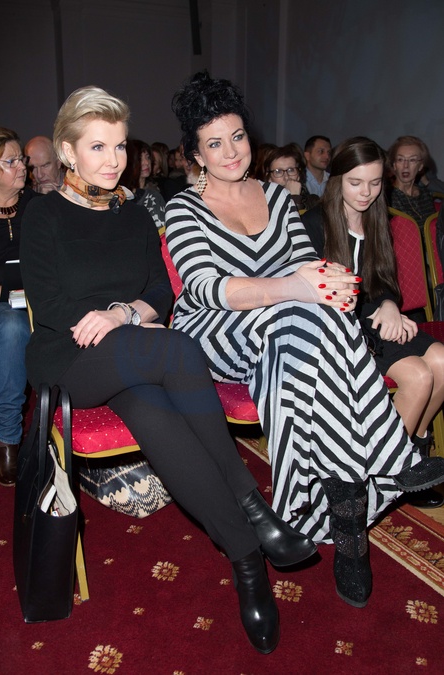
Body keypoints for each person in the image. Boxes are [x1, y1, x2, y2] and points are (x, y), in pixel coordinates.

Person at [20, 85, 321, 656]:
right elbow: (50, 304)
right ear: (67, 152)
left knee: (157, 417)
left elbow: (160, 291)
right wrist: (118, 321)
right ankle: (255, 507)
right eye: (97, 147)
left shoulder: (135, 212)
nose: (114, 160)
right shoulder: (44, 214)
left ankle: (248, 561)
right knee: (177, 347)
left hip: (131, 351)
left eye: (119, 146)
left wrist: (125, 313)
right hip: (71, 356)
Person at [164, 71, 444, 610]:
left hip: (288, 331)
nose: (231, 151)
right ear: (195, 154)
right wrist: (297, 287)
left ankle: (342, 519)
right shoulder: (184, 206)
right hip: (215, 330)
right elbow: (205, 287)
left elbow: (305, 266)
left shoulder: (274, 194)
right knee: (300, 315)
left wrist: (329, 284)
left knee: (312, 319)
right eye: (214, 144)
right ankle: (391, 454)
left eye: (237, 136)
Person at [301, 137, 444, 509]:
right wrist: (378, 309)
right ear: (337, 180)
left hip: (375, 318)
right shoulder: (314, 223)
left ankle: (411, 458)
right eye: (356, 182)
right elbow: (309, 295)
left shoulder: (377, 217)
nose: (366, 192)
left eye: (375, 182)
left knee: (442, 362)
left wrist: (391, 304)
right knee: (419, 376)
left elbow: (384, 279)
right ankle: (383, 476)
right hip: (336, 328)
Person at [0, 127, 39, 486]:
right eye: (10, 162)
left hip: (37, 298)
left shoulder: (36, 206)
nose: (22, 166)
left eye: (21, 160)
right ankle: (7, 435)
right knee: (12, 325)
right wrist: (3, 293)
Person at [387, 135, 436, 232]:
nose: (406, 166)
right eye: (400, 159)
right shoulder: (387, 198)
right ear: (394, 165)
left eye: (412, 160)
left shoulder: (425, 195)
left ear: (420, 166)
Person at [120, 139, 166, 230]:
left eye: (148, 157)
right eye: (140, 158)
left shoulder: (154, 195)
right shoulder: (120, 194)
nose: (146, 163)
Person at [263, 144, 319, 211]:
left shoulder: (312, 202)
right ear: (269, 177)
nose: (286, 177)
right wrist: (294, 198)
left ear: (298, 174)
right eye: (278, 171)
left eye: (291, 170)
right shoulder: (263, 203)